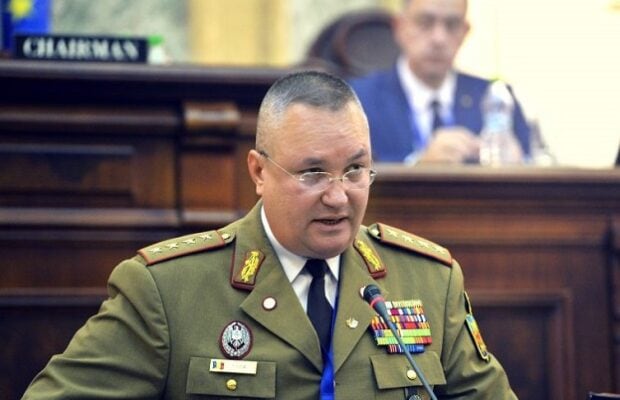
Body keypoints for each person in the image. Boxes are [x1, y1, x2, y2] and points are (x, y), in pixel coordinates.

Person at [22, 70, 516, 399]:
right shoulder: (166, 291)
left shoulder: (428, 280)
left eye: (355, 170)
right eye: (312, 173)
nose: (339, 197)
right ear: (259, 172)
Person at [349, 0, 531, 164]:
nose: (439, 39)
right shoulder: (358, 101)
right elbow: (352, 174)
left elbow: (533, 163)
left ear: (465, 32)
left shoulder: (496, 97)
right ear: (399, 28)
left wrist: (518, 163)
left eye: (452, 25)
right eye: (425, 22)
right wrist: (418, 165)